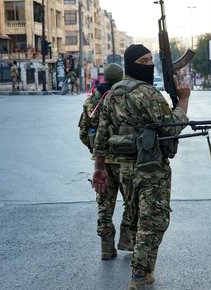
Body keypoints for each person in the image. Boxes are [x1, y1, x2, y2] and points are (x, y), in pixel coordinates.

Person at [91, 44, 191, 290]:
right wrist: (184, 100)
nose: (149, 65)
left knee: (138, 219)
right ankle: (140, 275)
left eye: (150, 60)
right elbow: (171, 129)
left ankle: (143, 269)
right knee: (153, 222)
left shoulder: (113, 93)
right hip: (151, 170)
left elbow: (102, 136)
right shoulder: (148, 94)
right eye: (144, 61)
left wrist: (100, 167)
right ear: (132, 63)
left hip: (126, 170)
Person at [78, 63, 136, 260]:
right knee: (131, 203)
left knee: (104, 206)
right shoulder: (124, 99)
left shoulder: (91, 102)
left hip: (101, 164)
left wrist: (94, 150)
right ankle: (128, 241)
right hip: (125, 161)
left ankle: (106, 248)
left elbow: (83, 132)